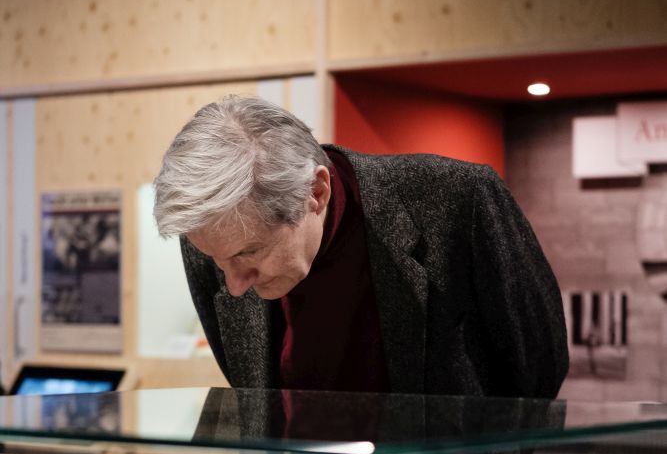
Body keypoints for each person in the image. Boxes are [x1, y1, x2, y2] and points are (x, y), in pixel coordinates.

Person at [153, 94, 568, 400]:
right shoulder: (213, 238)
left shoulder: (460, 201)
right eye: (217, 260)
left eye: (249, 253)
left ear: (315, 192)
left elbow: (538, 366)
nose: (235, 284)